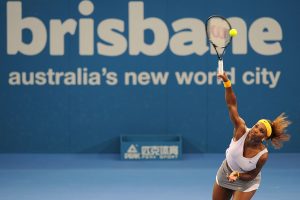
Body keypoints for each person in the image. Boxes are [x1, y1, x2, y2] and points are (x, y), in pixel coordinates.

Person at [212, 72, 291, 200]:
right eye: (256, 126)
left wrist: (237, 174)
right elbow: (231, 105)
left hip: (247, 181)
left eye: (261, 131)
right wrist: (227, 83)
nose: (255, 130)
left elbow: (251, 175)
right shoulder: (240, 129)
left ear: (264, 137)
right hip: (226, 171)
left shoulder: (262, 155)